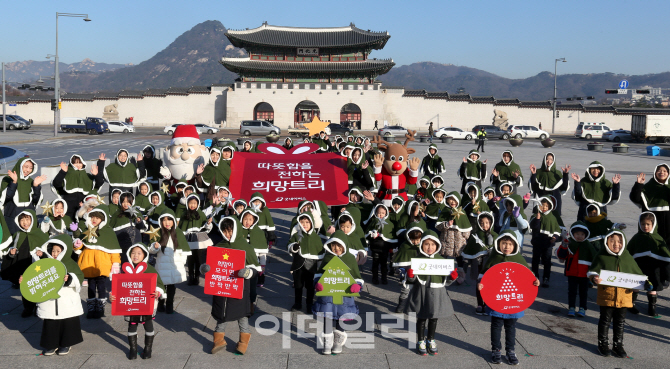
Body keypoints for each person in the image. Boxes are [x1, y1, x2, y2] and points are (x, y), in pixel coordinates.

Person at [478, 230, 541, 365]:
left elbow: (528, 276)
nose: (507, 247)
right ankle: (496, 350)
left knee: (511, 327)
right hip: (497, 300)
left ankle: (510, 350)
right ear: (498, 244)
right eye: (504, 243)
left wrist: (535, 281)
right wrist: (481, 285)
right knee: (496, 325)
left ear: (515, 245)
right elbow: (484, 276)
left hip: (514, 302)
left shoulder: (519, 259)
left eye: (510, 244)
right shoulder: (493, 258)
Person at [588, 229, 650, 358]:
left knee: (620, 321)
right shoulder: (601, 255)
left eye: (619, 241)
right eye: (612, 241)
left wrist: (646, 283)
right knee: (605, 320)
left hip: (624, 296)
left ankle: (618, 344)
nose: (616, 244)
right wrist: (594, 278)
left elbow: (638, 274)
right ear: (606, 242)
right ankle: (603, 343)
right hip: (607, 295)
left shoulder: (627, 257)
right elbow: (593, 271)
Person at [203, 216, 260, 355]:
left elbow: (256, 269)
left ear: (236, 230)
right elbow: (210, 266)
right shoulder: (218, 246)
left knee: (242, 315)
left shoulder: (246, 247)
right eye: (225, 231)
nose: (228, 235)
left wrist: (248, 272)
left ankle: (243, 341)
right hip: (221, 288)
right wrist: (204, 268)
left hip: (239, 288)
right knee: (221, 314)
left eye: (230, 231)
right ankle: (218, 340)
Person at [403, 231, 459, 355]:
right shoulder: (417, 260)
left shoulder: (441, 261)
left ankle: (431, 339)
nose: (430, 247)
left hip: (437, 293)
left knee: (434, 317)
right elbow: (411, 280)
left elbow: (446, 281)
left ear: (437, 245)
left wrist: (452, 277)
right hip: (421, 293)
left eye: (433, 244)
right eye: (426, 244)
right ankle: (420, 341)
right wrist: (410, 275)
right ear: (422, 245)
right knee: (422, 317)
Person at [109, 244, 165, 360]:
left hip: (146, 303)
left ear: (144, 255)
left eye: (139, 253)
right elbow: (119, 285)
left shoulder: (149, 268)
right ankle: (133, 349)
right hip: (131, 304)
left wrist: (157, 293)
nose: (136, 255)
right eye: (133, 252)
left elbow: (159, 284)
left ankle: (148, 349)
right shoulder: (126, 269)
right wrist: (113, 296)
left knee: (148, 326)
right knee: (131, 326)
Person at [313, 230, 364, 355]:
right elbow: (319, 274)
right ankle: (327, 343)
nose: (336, 248)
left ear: (344, 245)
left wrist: (357, 286)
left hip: (344, 297)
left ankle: (337, 342)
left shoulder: (350, 259)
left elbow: (357, 277)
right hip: (328, 297)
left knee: (342, 319)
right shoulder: (328, 257)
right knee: (327, 318)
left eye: (339, 245)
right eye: (333, 245)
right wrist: (317, 283)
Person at [32, 235, 85, 356]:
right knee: (51, 323)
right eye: (53, 250)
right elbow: (35, 277)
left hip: (66, 301)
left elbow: (79, 277)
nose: (55, 253)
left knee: (68, 322)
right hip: (50, 301)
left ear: (65, 251)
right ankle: (50, 344)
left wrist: (69, 279)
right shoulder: (45, 263)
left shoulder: (70, 263)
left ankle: (66, 343)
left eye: (58, 251)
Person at [74, 205, 122, 319]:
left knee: (101, 287)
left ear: (103, 219)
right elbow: (81, 246)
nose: (94, 220)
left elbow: (114, 249)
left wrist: (115, 264)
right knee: (91, 287)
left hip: (102, 265)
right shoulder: (87, 230)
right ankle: (91, 309)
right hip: (89, 264)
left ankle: (100, 308)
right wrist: (77, 245)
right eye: (92, 217)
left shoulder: (108, 232)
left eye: (98, 218)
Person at [1, 209, 49, 317]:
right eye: (22, 220)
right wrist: (11, 252)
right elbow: (13, 248)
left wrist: (42, 253)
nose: (25, 222)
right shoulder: (18, 235)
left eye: (27, 219)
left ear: (32, 220)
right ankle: (27, 307)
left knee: (37, 286)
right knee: (25, 287)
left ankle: (38, 306)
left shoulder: (40, 234)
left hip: (36, 265)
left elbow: (47, 249)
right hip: (22, 265)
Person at [627, 212, 670, 316]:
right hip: (639, 267)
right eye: (643, 224)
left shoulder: (658, 238)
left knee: (653, 287)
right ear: (639, 224)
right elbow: (628, 252)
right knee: (636, 285)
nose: (645, 227)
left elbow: (665, 254)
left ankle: (652, 308)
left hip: (654, 268)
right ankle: (631, 305)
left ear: (653, 225)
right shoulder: (637, 237)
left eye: (648, 224)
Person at [149, 209, 190, 314]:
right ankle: (161, 303)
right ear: (161, 221)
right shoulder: (157, 232)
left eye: (169, 220)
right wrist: (155, 246)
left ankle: (170, 304)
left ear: (174, 221)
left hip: (174, 264)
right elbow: (151, 250)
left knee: (171, 286)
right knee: (161, 285)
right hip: (162, 264)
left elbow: (184, 249)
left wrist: (182, 262)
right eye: (164, 220)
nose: (167, 222)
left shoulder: (178, 232)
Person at [462, 212, 497, 315]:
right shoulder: (475, 236)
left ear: (491, 223)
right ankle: (479, 304)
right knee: (479, 284)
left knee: (490, 285)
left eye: (487, 223)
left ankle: (487, 304)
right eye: (482, 223)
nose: (484, 225)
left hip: (490, 265)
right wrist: (465, 265)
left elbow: (499, 250)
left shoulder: (495, 235)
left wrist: (492, 249)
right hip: (479, 264)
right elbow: (470, 250)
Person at [288, 212, 324, 312]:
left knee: (310, 286)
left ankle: (309, 304)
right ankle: (297, 303)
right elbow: (290, 244)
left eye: (307, 222)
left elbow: (320, 252)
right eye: (302, 222)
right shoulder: (297, 235)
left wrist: (320, 269)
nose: (305, 224)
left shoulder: (316, 237)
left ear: (312, 223)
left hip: (311, 265)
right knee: (298, 285)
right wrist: (293, 247)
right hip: (298, 265)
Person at [559, 222, 597, 317]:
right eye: (577, 234)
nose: (580, 236)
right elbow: (561, 256)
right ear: (573, 234)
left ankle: (582, 308)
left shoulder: (588, 245)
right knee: (572, 291)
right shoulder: (570, 243)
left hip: (584, 274)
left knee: (583, 292)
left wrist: (595, 272)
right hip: (571, 273)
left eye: (582, 234)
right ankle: (571, 307)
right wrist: (564, 245)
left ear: (586, 234)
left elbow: (595, 258)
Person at [0, 157, 47, 234]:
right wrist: (14, 182)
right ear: (19, 166)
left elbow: (36, 200)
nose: (28, 170)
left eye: (30, 168)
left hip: (28, 218)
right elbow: (6, 198)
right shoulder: (8, 179)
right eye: (26, 167)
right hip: (12, 216)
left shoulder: (31, 181)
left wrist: (36, 186)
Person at [51, 154, 103, 219]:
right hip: (69, 204)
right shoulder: (67, 174)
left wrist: (96, 175)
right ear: (71, 164)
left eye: (80, 163)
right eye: (75, 163)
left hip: (82, 204)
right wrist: (62, 172)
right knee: (69, 221)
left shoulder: (87, 176)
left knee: (82, 220)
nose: (78, 165)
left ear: (83, 163)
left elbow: (99, 183)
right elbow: (56, 184)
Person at [436, 191, 473, 284]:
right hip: (446, 239)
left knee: (459, 258)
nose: (452, 201)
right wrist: (446, 224)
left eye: (454, 200)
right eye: (450, 199)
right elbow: (438, 226)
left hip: (459, 241)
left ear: (457, 201)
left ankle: (461, 275)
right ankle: (442, 275)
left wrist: (465, 237)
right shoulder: (445, 211)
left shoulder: (461, 212)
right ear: (447, 200)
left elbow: (466, 227)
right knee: (444, 256)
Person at [178, 194, 213, 285]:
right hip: (188, 238)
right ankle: (191, 276)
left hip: (199, 239)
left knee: (198, 259)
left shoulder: (200, 213)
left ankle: (197, 276)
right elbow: (181, 227)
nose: (192, 205)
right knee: (190, 259)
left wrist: (208, 223)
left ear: (198, 204)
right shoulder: (184, 214)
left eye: (195, 203)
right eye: (190, 203)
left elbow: (205, 226)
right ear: (187, 204)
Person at [630, 163, 670, 242]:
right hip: (653, 218)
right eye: (659, 171)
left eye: (664, 171)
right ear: (655, 172)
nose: (662, 172)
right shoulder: (649, 186)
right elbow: (636, 199)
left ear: (668, 173)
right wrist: (638, 185)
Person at [529, 197, 561, 288]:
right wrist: (537, 219)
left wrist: (554, 237)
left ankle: (546, 278)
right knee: (535, 260)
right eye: (542, 205)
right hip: (537, 242)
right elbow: (533, 227)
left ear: (550, 206)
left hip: (547, 243)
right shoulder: (535, 215)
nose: (544, 207)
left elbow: (556, 230)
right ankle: (535, 276)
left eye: (547, 206)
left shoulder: (552, 217)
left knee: (547, 261)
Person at [392, 226, 424, 312]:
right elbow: (401, 259)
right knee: (405, 289)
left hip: (419, 271)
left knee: (418, 290)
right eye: (413, 240)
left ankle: (414, 306)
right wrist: (401, 270)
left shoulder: (422, 246)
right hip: (407, 272)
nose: (415, 242)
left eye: (417, 240)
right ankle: (401, 306)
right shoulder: (405, 246)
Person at [365, 204, 397, 284]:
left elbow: (391, 236)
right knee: (375, 263)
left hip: (385, 248)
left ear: (386, 213)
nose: (381, 215)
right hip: (375, 247)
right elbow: (367, 233)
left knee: (384, 264)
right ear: (376, 213)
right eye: (379, 213)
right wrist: (372, 234)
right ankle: (375, 277)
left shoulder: (389, 224)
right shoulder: (374, 222)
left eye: (383, 213)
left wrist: (392, 247)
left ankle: (384, 277)